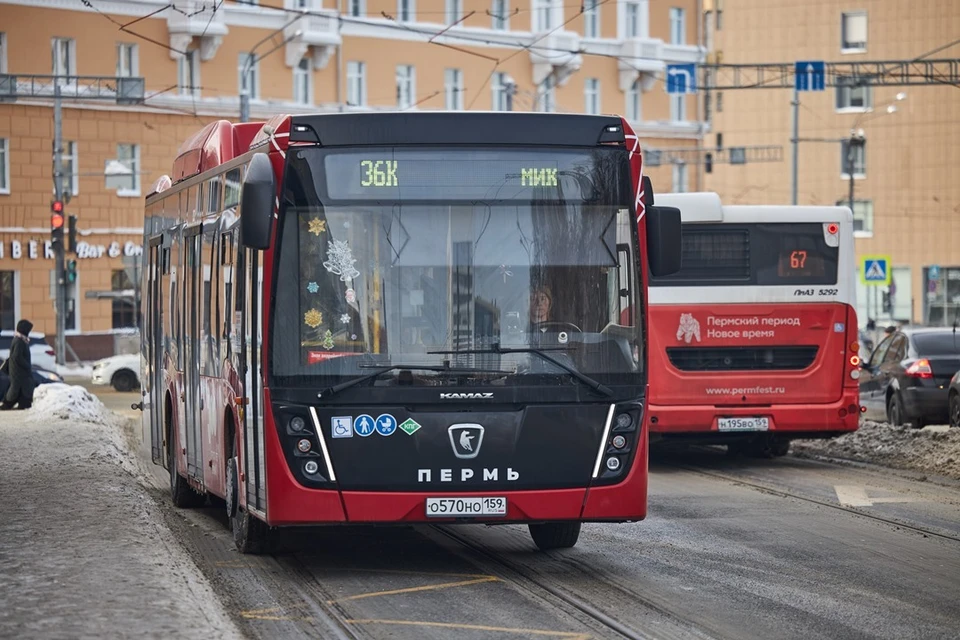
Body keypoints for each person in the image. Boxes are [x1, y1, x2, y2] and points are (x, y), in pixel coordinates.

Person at [0, 319, 35, 410]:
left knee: (19, 388)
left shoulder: (20, 340)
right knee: (18, 388)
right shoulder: (19, 341)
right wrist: (27, 366)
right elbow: (17, 356)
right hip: (19, 372)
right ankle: (9, 404)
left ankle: (22, 403)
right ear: (24, 330)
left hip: (18, 372)